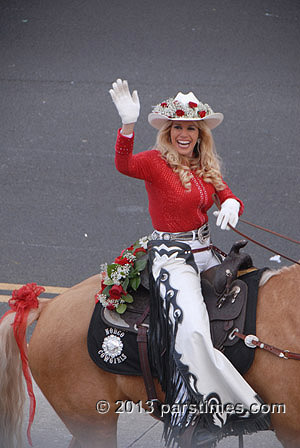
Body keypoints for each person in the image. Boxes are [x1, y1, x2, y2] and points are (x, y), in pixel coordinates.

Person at [109, 79, 269, 446]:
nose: (184, 134)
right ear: (169, 131)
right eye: (178, 127)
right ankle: (218, 410)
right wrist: (128, 127)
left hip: (207, 252)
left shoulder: (203, 165)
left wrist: (232, 205)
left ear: (200, 134)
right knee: (194, 329)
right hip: (172, 258)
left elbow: (228, 195)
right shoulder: (153, 163)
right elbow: (123, 164)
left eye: (191, 128)